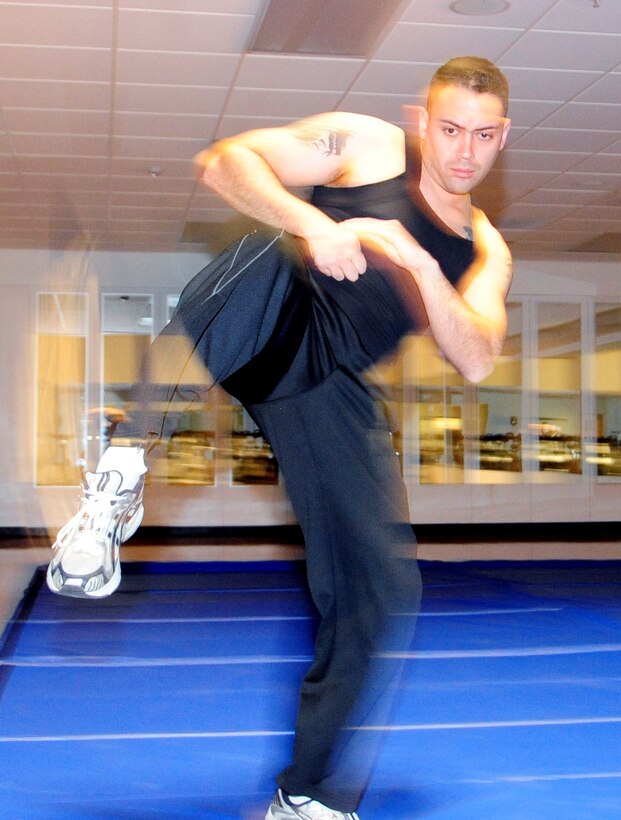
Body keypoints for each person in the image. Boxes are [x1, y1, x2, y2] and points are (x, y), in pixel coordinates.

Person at [46, 56, 513, 820]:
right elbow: (225, 162)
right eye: (451, 128)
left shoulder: (485, 247)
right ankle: (120, 478)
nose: (463, 151)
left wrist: (422, 266)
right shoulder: (365, 144)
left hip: (331, 390)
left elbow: (477, 354)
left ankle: (309, 798)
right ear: (421, 121)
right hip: (272, 322)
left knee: (384, 587)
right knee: (264, 242)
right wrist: (318, 224)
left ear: (503, 137)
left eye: (483, 135)